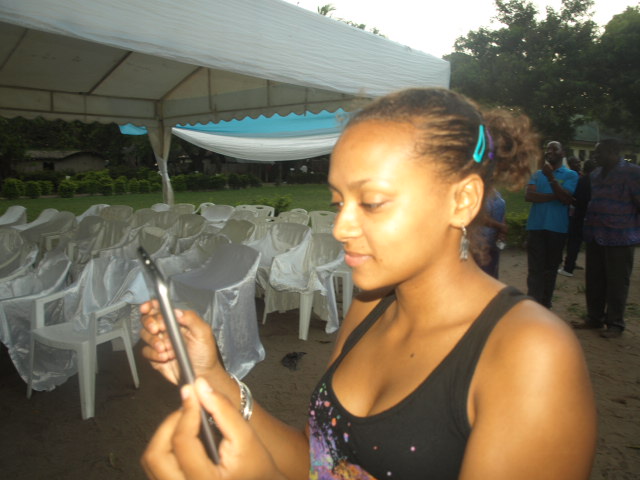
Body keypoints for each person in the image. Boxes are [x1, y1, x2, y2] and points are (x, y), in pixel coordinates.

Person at [139, 88, 597, 480]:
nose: (341, 228)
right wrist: (215, 378)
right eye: (338, 202)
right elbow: (320, 464)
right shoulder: (369, 305)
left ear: (462, 200)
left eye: (372, 202)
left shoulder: (529, 353)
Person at [573, 139, 640, 338]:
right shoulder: (595, 174)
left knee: (617, 282)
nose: (595, 156)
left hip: (620, 237)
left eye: (599, 152)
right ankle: (594, 318)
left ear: (612, 151)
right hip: (595, 234)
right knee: (594, 279)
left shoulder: (632, 173)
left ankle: (615, 323)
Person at [524, 141, 579, 308]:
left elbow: (566, 196)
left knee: (551, 268)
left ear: (563, 153)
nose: (549, 151)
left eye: (554, 149)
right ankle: (533, 303)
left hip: (557, 228)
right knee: (535, 268)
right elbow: (529, 196)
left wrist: (551, 178)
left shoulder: (571, 175)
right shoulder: (537, 174)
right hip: (536, 226)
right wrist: (558, 196)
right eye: (547, 149)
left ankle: (545, 303)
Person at [558, 159, 597, 277]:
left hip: (579, 214)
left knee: (574, 241)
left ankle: (568, 267)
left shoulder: (582, 180)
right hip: (592, 216)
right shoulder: (596, 180)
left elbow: (575, 197)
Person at [475, 187, 507, 278]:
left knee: (492, 270)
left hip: (494, 238)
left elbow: (502, 213)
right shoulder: (478, 192)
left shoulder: (496, 191)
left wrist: (502, 231)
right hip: (480, 239)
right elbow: (480, 218)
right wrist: (501, 226)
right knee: (482, 272)